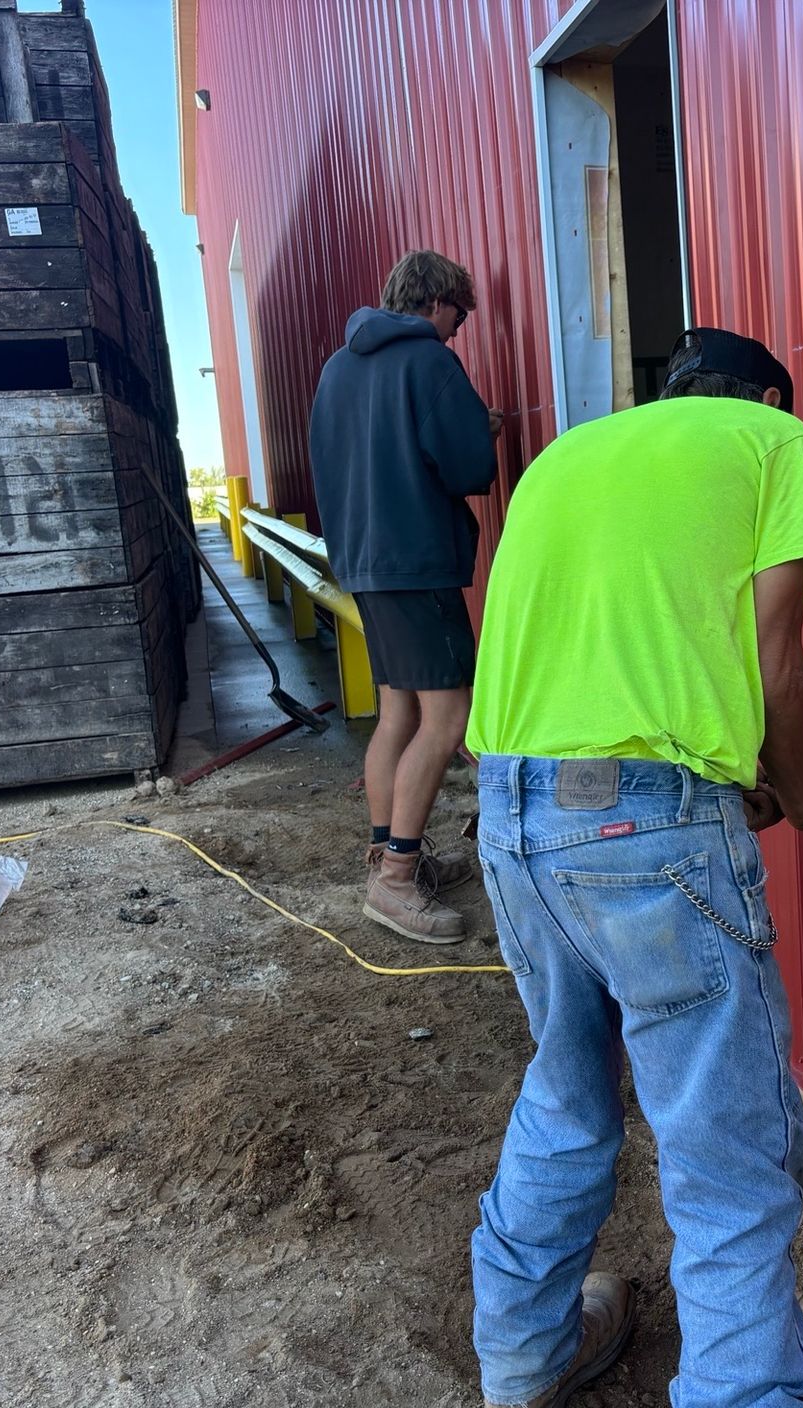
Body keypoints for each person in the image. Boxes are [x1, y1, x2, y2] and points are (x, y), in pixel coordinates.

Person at [463, 328, 803, 1408]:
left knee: (568, 1089)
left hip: (513, 815)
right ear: (771, 395)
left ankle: (521, 1372)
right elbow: (776, 655)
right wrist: (799, 791)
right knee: (727, 1164)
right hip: (654, 821)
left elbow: (601, 664)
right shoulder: (773, 439)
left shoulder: (566, 457)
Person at [308, 249, 503, 945]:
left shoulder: (337, 368)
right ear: (440, 302)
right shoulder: (429, 363)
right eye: (460, 318)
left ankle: (393, 853)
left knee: (398, 711)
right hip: (417, 560)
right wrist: (485, 432)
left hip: (362, 562)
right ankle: (394, 882)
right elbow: (467, 466)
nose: (458, 332)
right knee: (448, 718)